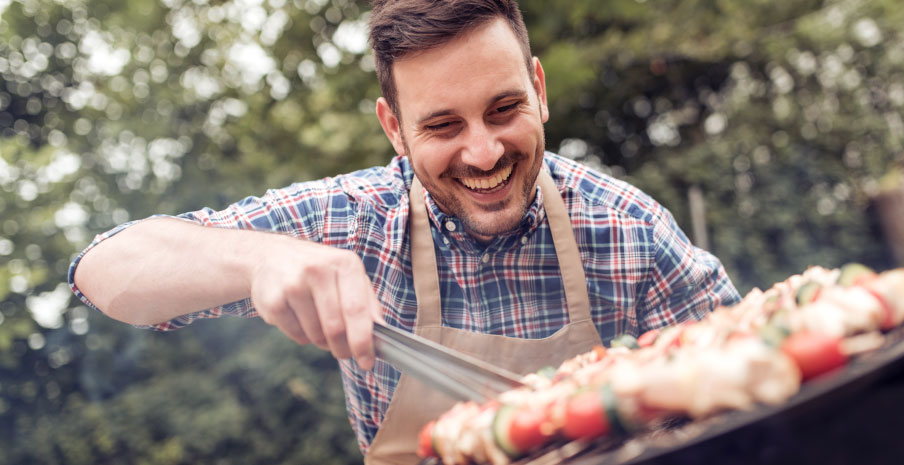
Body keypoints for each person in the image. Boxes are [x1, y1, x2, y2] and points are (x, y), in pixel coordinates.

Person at [69, 0, 740, 462]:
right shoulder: (355, 222)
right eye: (443, 126)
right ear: (394, 129)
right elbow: (105, 270)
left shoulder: (628, 232)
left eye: (503, 109)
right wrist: (259, 260)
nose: (483, 153)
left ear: (538, 89)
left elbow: (752, 387)